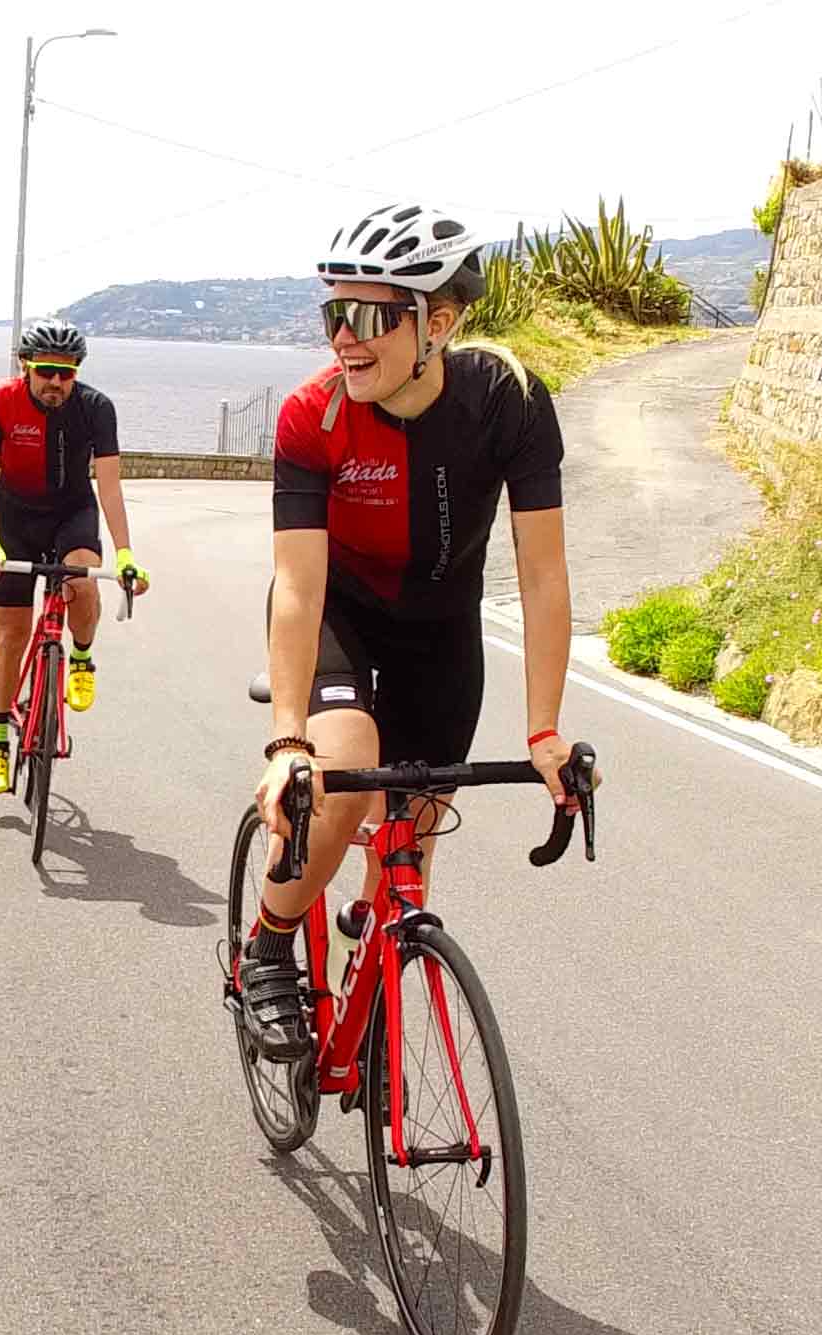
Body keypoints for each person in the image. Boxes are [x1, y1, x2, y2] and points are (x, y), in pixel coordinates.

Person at [239, 203, 579, 1062]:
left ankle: (373, 954)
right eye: (334, 314)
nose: (342, 339)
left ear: (440, 322)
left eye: (368, 317)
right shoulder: (312, 415)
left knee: (409, 854)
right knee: (344, 778)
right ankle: (269, 946)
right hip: (340, 617)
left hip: (441, 633)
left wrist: (543, 731)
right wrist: (288, 740)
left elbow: (542, 576)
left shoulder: (508, 401)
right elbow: (297, 584)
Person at [0, 318, 149, 794]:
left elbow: (109, 488)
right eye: (46, 371)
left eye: (66, 373)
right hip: (16, 519)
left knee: (82, 583)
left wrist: (125, 553)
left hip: (72, 512)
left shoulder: (96, 408)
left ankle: (82, 659)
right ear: (25, 366)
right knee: (11, 633)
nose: (55, 381)